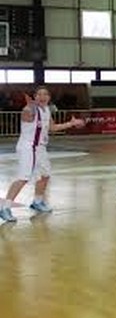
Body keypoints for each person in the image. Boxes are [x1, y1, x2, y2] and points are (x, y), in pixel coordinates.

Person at [0, 87, 85, 222]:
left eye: (45, 94)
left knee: (45, 175)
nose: (42, 96)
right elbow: (27, 116)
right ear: (34, 97)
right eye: (39, 94)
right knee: (23, 178)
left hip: (40, 148)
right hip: (28, 147)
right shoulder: (29, 109)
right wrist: (30, 107)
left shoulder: (47, 110)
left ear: (49, 97)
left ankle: (37, 201)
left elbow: (52, 128)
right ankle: (5, 207)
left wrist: (71, 123)